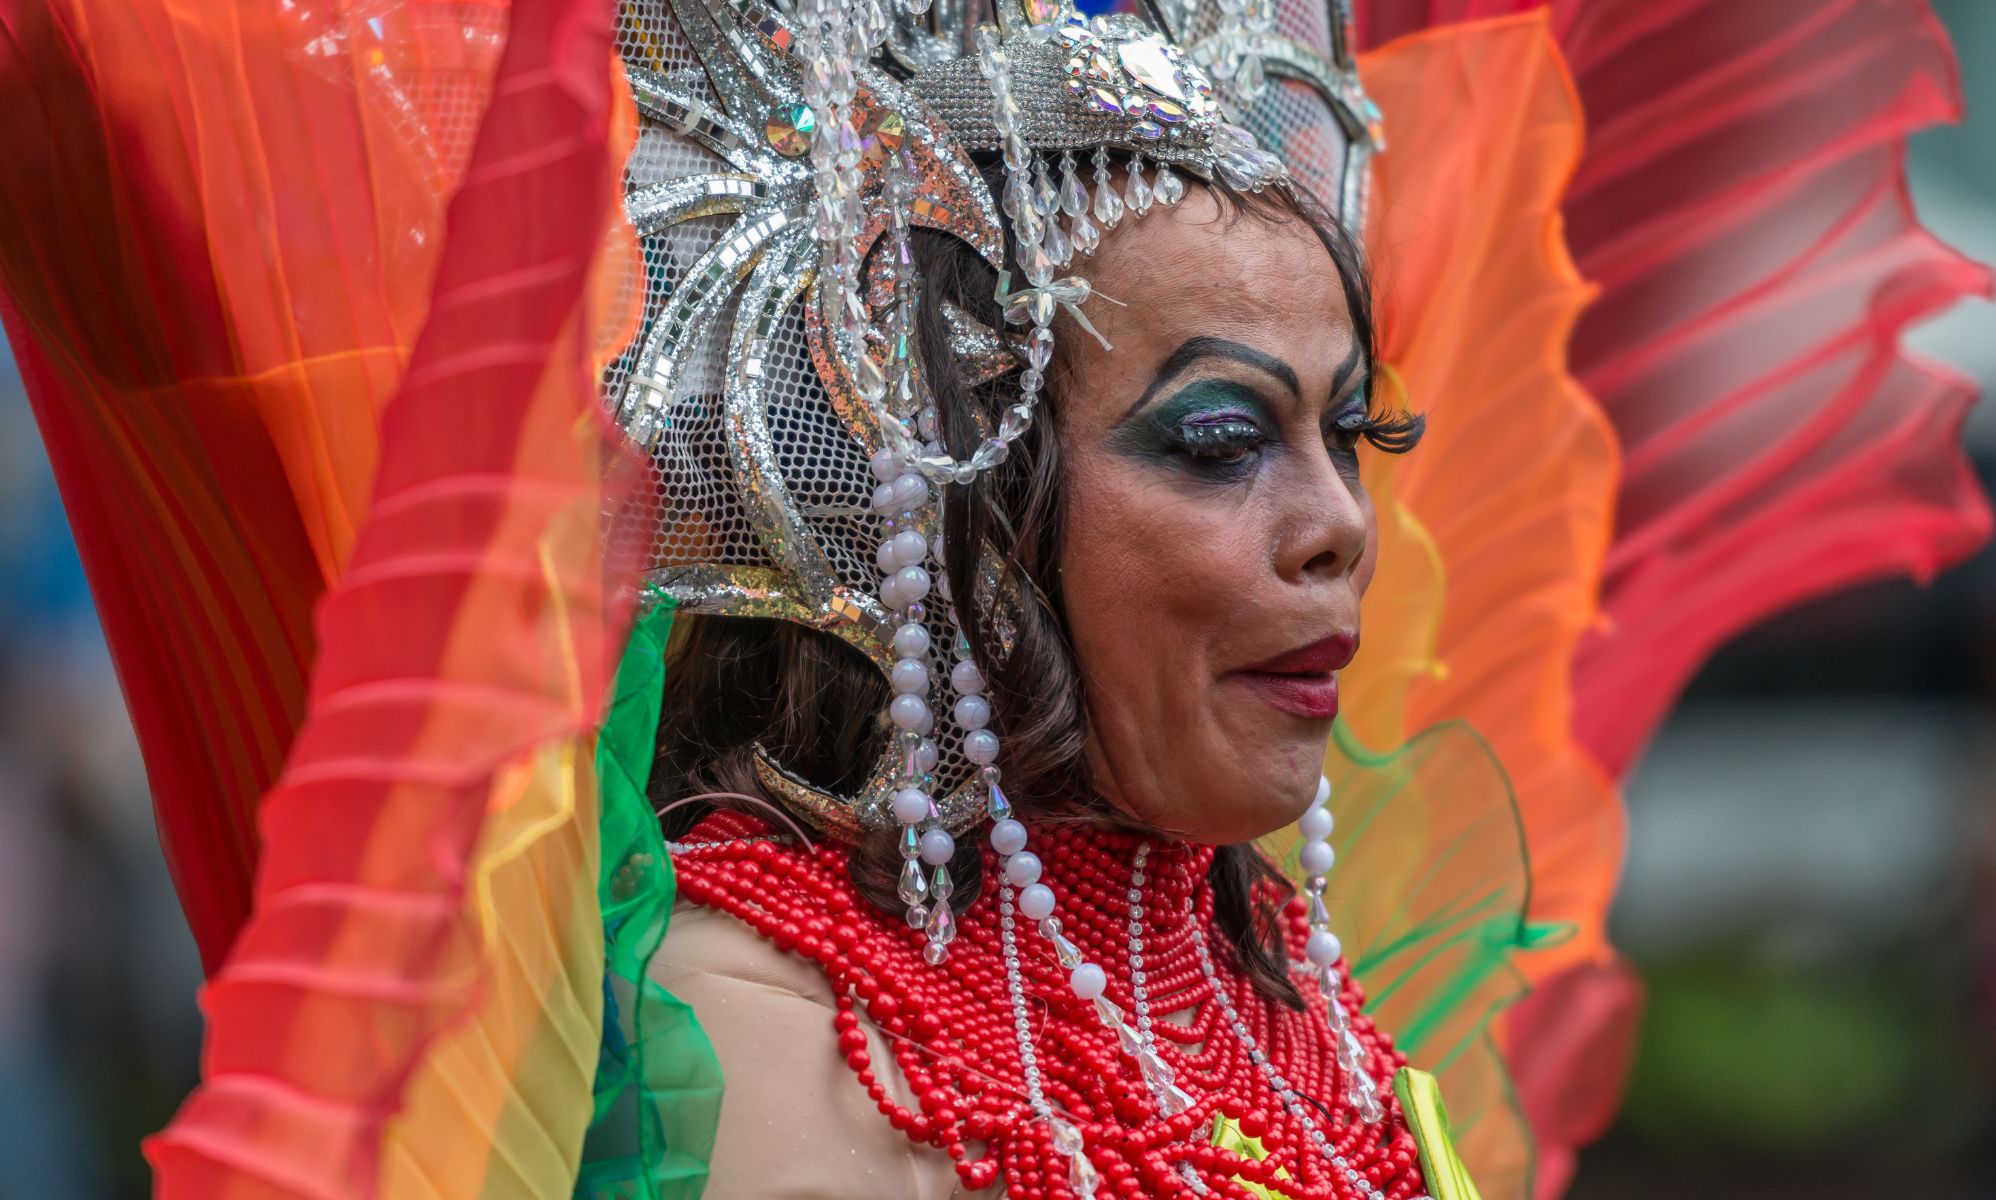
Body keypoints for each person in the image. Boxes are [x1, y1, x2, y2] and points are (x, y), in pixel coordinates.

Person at [0, 0, 1982, 1198]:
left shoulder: (1272, 986)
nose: (1337, 530)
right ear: (966, 512)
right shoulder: (752, 1031)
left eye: (1346, 436)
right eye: (1217, 440)